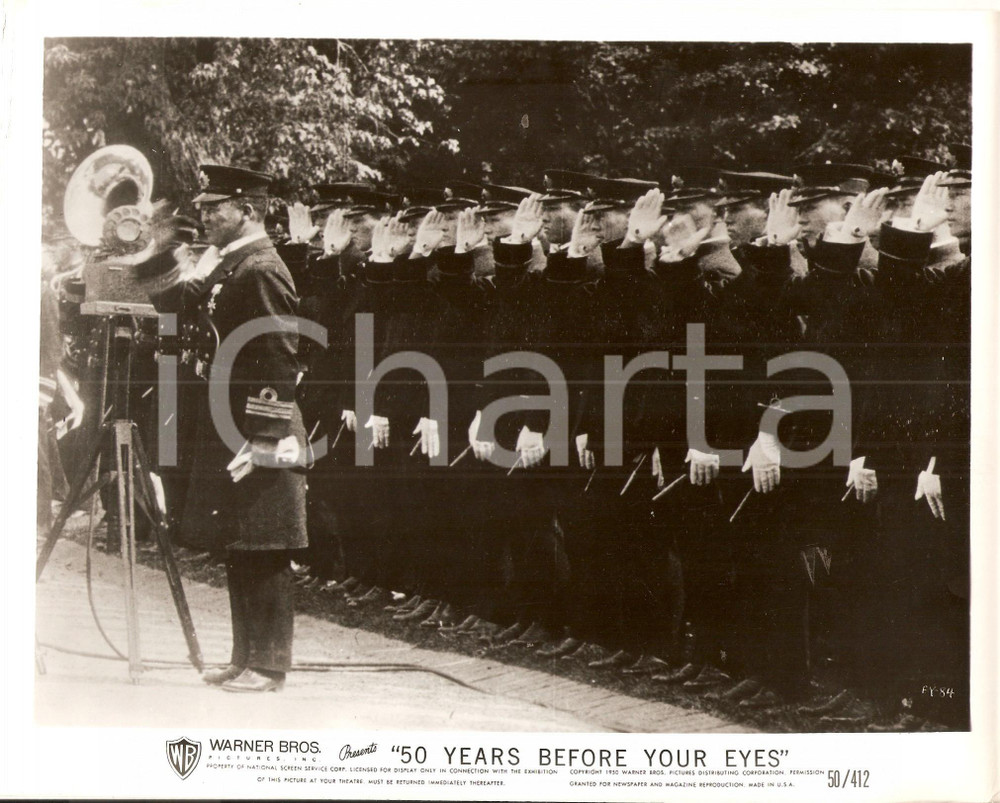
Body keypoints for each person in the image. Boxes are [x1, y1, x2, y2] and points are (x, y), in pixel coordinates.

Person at [147, 164, 306, 693]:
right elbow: (176, 307)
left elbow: (280, 357)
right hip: (233, 422)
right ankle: (245, 657)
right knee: (241, 544)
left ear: (250, 211)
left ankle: (270, 665)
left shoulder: (260, 268)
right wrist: (154, 252)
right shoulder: (233, 263)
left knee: (267, 546)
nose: (205, 215)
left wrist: (263, 438)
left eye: (217, 208)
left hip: (262, 425)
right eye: (204, 207)